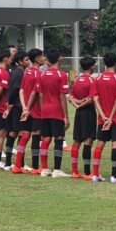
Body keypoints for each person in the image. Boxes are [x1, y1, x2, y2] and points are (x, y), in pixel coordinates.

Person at [92, 53, 116, 184]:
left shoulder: (98, 78)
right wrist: (111, 118)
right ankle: (114, 176)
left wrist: (103, 116)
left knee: (100, 144)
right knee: (115, 144)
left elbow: (95, 98)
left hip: (103, 119)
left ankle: (95, 175)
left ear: (104, 63)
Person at [37, 49, 71, 178]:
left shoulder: (42, 75)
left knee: (45, 139)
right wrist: (66, 116)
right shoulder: (62, 75)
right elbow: (62, 96)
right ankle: (57, 169)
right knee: (58, 139)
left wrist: (43, 109)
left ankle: (44, 169)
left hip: (45, 110)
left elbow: (40, 95)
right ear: (59, 59)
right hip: (56, 110)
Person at [68, 56, 97, 180]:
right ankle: (86, 172)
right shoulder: (92, 81)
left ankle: (74, 171)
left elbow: (70, 96)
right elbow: (91, 99)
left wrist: (76, 104)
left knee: (76, 141)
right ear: (92, 68)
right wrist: (81, 105)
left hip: (78, 114)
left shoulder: (77, 80)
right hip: (88, 113)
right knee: (88, 141)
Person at [19, 48, 44, 175]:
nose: (44, 58)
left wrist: (24, 107)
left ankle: (18, 165)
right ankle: (35, 167)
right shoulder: (38, 74)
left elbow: (21, 91)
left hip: (26, 110)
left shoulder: (27, 72)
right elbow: (36, 94)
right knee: (35, 136)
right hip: (35, 111)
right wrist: (28, 108)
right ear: (36, 59)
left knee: (25, 136)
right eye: (41, 56)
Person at [5, 51, 29, 172]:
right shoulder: (19, 74)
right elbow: (15, 91)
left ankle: (12, 162)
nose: (28, 61)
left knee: (14, 133)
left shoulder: (18, 72)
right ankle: (16, 163)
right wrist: (10, 104)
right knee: (18, 133)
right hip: (17, 107)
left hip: (16, 107)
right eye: (26, 60)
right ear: (20, 62)